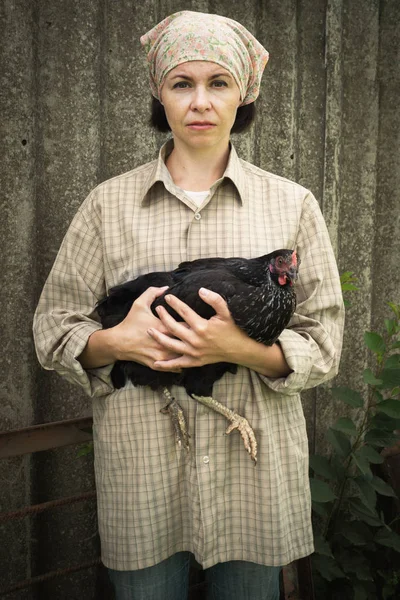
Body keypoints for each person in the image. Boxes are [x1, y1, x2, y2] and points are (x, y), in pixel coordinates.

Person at [33, 10, 345, 600]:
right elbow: (54, 326)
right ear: (161, 94)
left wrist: (240, 349)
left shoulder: (293, 206)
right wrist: (115, 342)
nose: (200, 101)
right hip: (142, 474)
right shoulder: (107, 206)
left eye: (218, 82)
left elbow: (324, 342)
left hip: (253, 481)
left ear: (242, 95)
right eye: (183, 83)